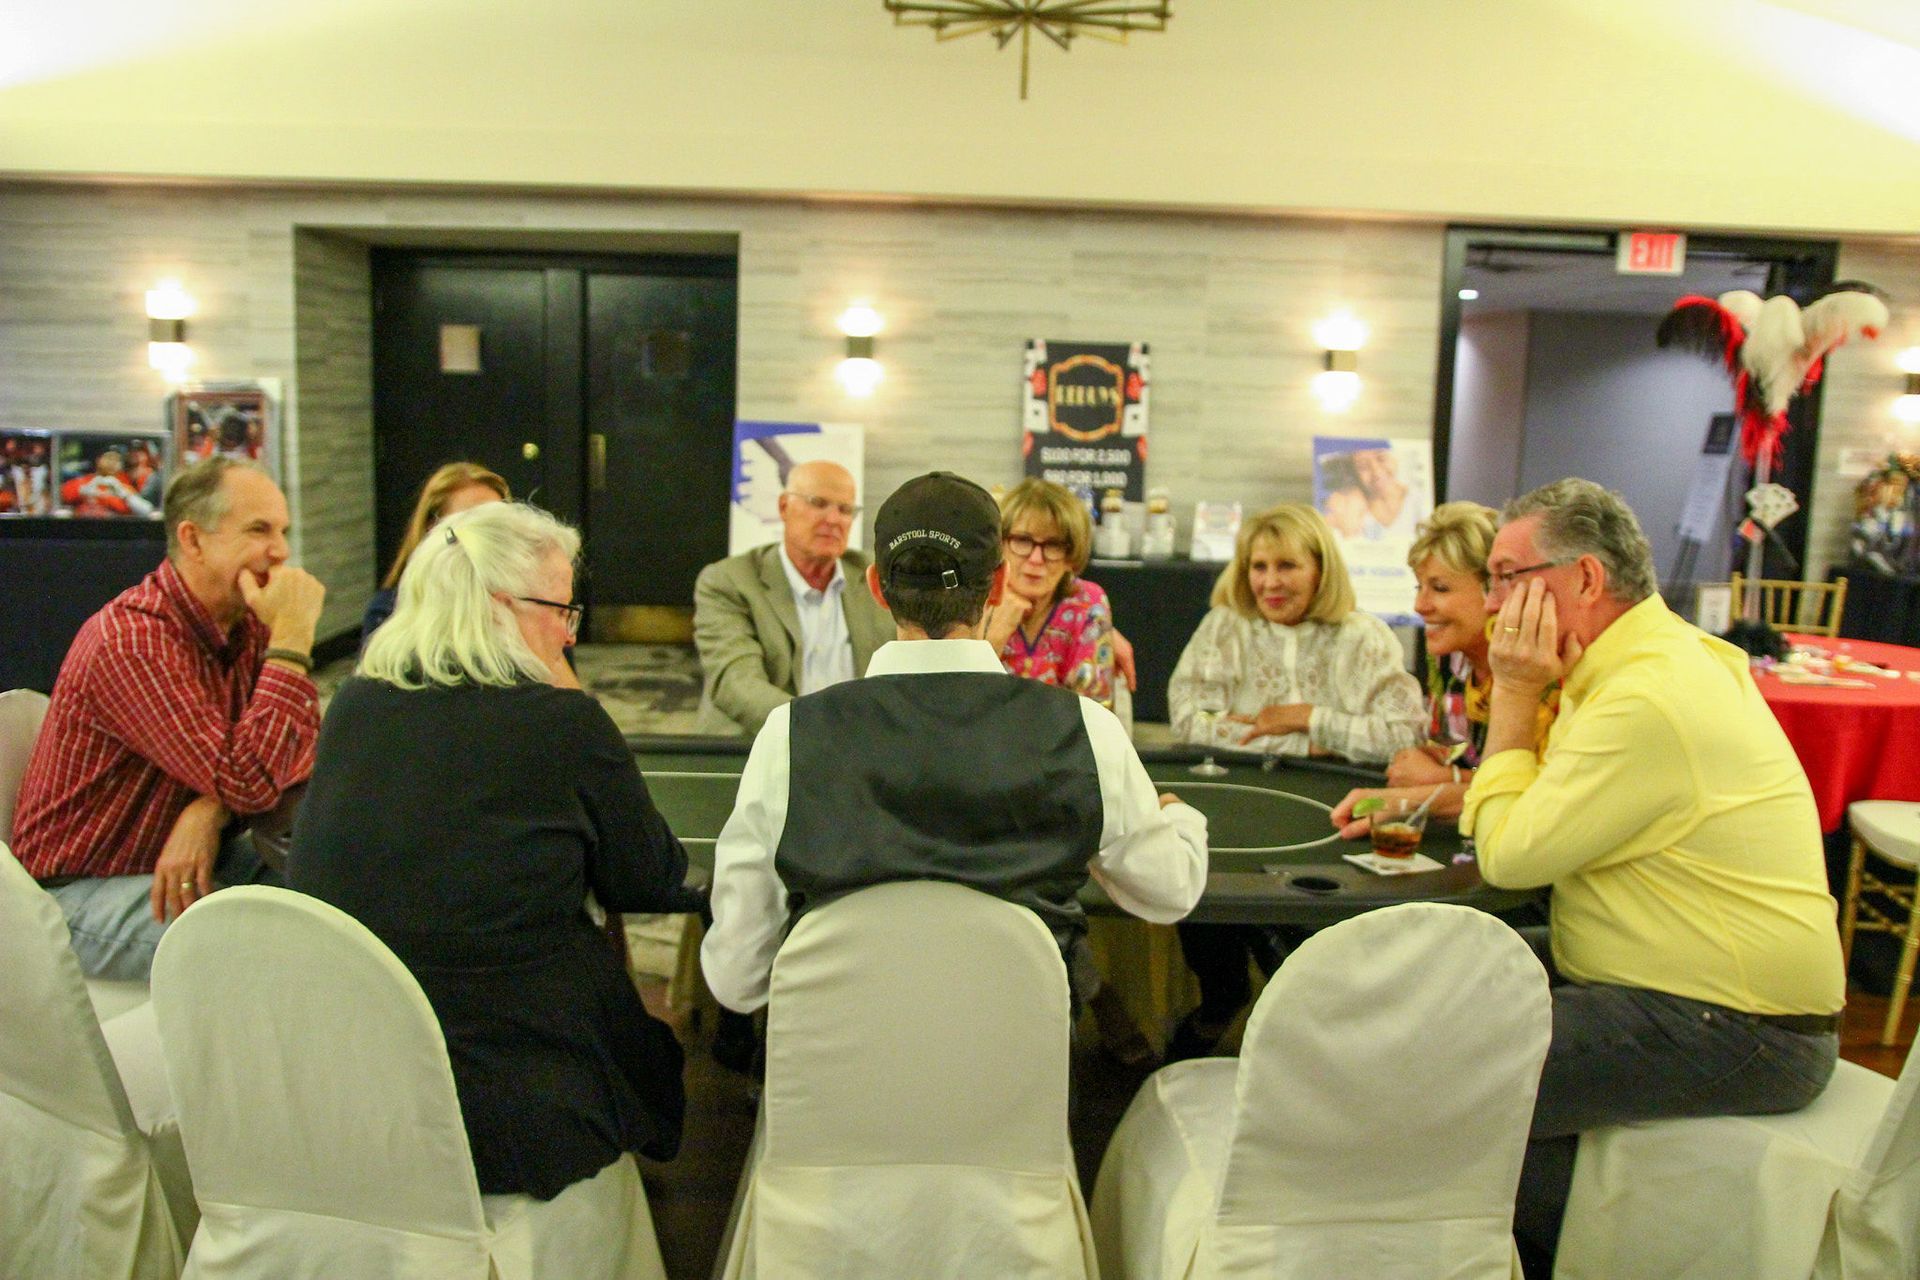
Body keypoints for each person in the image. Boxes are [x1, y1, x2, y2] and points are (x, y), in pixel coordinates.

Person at [1461, 478, 1843, 1276]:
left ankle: (1614, 1253)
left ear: (1585, 579)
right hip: (1669, 983)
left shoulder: (1647, 695)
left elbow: (1510, 853)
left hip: (1744, 1027)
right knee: (1443, 974)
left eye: (1505, 577)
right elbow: (1530, 820)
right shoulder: (1639, 664)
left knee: (1449, 1074)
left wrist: (1517, 691)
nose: (1492, 604)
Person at [289, 500, 696, 1200]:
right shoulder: (561, 724)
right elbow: (649, 879)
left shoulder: (353, 708)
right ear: (500, 606)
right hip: (510, 1105)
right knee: (649, 1050)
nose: (568, 636)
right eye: (561, 611)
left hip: (352, 1081)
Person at [701, 470, 1208, 1025]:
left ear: (876, 588)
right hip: (1019, 1064)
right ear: (998, 583)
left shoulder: (788, 736)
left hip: (836, 1062)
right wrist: (1181, 818)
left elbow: (738, 979)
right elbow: (1171, 891)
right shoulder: (1087, 732)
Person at [13, 457, 324, 979]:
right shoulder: (132, 642)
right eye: (259, 530)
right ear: (193, 540)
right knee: (276, 947)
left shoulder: (247, 625)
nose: (281, 551)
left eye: (282, 531)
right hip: (76, 892)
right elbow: (250, 779)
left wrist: (210, 809)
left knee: (335, 893)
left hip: (178, 858)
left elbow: (302, 752)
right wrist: (293, 641)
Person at [1164, 503, 1423, 1058]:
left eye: (1287, 566)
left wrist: (1306, 717)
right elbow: (1191, 720)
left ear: (1321, 568)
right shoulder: (1224, 626)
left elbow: (1403, 736)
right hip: (1235, 820)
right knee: (1211, 924)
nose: (1270, 582)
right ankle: (1221, 1007)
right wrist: (1312, 743)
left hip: (1333, 825)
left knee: (1306, 971)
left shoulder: (1365, 637)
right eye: (1258, 567)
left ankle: (1309, 1052)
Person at [1327, 501, 1558, 838]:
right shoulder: (1449, 658)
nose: (1419, 606)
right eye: (1419, 587)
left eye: (1440, 588)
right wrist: (1440, 776)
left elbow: (1540, 798)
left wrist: (1441, 784)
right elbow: (1452, 758)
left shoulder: (1543, 669)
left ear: (1498, 589)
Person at [693, 459, 893, 735]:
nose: (833, 519)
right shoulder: (729, 581)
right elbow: (737, 684)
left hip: (859, 746)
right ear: (784, 507)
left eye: (845, 509)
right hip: (759, 744)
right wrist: (826, 729)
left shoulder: (877, 577)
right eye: (818, 503)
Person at [986, 477, 1119, 708]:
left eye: (1053, 545)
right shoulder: (976, 599)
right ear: (1001, 544)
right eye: (1022, 540)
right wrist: (993, 641)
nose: (1036, 559)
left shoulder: (1087, 602)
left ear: (1070, 557)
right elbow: (954, 701)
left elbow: (1095, 710)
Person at [363, 461, 510, 638]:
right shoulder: (390, 611)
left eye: (497, 521)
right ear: (432, 528)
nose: (487, 534)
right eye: (472, 522)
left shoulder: (522, 598)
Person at [61, 447, 154, 518]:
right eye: (109, 458)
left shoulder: (124, 487)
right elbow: (62, 499)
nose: (112, 463)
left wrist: (122, 494)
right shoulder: (82, 481)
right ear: (98, 460)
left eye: (117, 460)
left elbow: (146, 511)